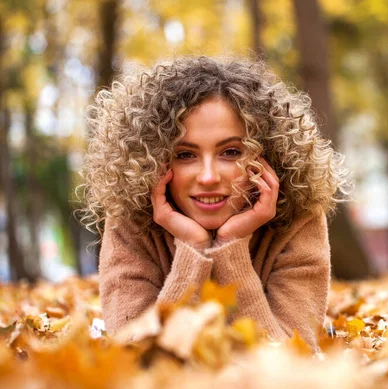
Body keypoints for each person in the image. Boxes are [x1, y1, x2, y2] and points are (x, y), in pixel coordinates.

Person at [78, 56, 352, 351]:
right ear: (153, 161)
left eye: (231, 152)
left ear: (268, 156)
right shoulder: (130, 220)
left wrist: (229, 246)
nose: (208, 177)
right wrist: (193, 247)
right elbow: (137, 358)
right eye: (185, 155)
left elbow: (290, 360)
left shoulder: (299, 217)